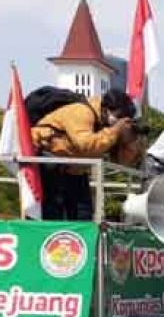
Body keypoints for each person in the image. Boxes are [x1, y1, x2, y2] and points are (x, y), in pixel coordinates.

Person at [30, 88, 141, 220]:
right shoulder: (81, 112)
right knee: (53, 214)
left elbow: (122, 162)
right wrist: (115, 131)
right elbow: (86, 145)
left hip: (74, 169)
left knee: (83, 215)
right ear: (106, 109)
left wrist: (130, 141)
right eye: (119, 115)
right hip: (49, 162)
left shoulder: (106, 127)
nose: (120, 121)